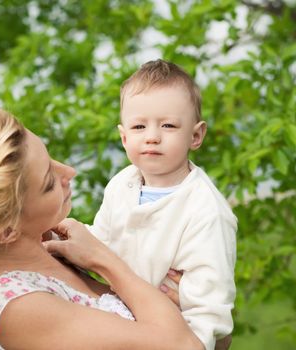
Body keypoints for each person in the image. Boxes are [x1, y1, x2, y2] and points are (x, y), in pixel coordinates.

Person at [0, 107, 204, 350]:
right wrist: (104, 260)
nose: (69, 172)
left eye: (50, 158)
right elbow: (183, 345)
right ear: (6, 230)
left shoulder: (54, 248)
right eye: (49, 181)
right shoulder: (12, 305)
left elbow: (207, 338)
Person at [76, 59, 237, 350]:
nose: (152, 136)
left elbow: (210, 306)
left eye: (168, 125)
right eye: (139, 126)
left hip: (172, 335)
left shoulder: (205, 210)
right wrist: (62, 238)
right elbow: (100, 243)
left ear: (196, 135)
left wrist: (195, 336)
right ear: (124, 138)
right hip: (121, 324)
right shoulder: (122, 185)